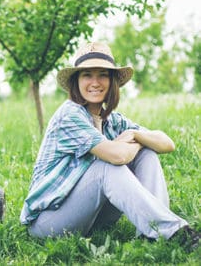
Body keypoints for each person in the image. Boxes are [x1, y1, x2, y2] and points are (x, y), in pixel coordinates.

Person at [20, 42, 199, 250]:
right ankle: (172, 231)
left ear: (112, 81)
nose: (95, 82)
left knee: (147, 153)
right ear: (76, 81)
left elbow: (167, 143)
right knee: (105, 167)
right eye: (87, 74)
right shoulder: (70, 115)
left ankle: (151, 236)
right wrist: (134, 143)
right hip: (49, 220)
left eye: (103, 74)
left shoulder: (112, 120)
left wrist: (134, 135)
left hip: (88, 215)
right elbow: (117, 157)